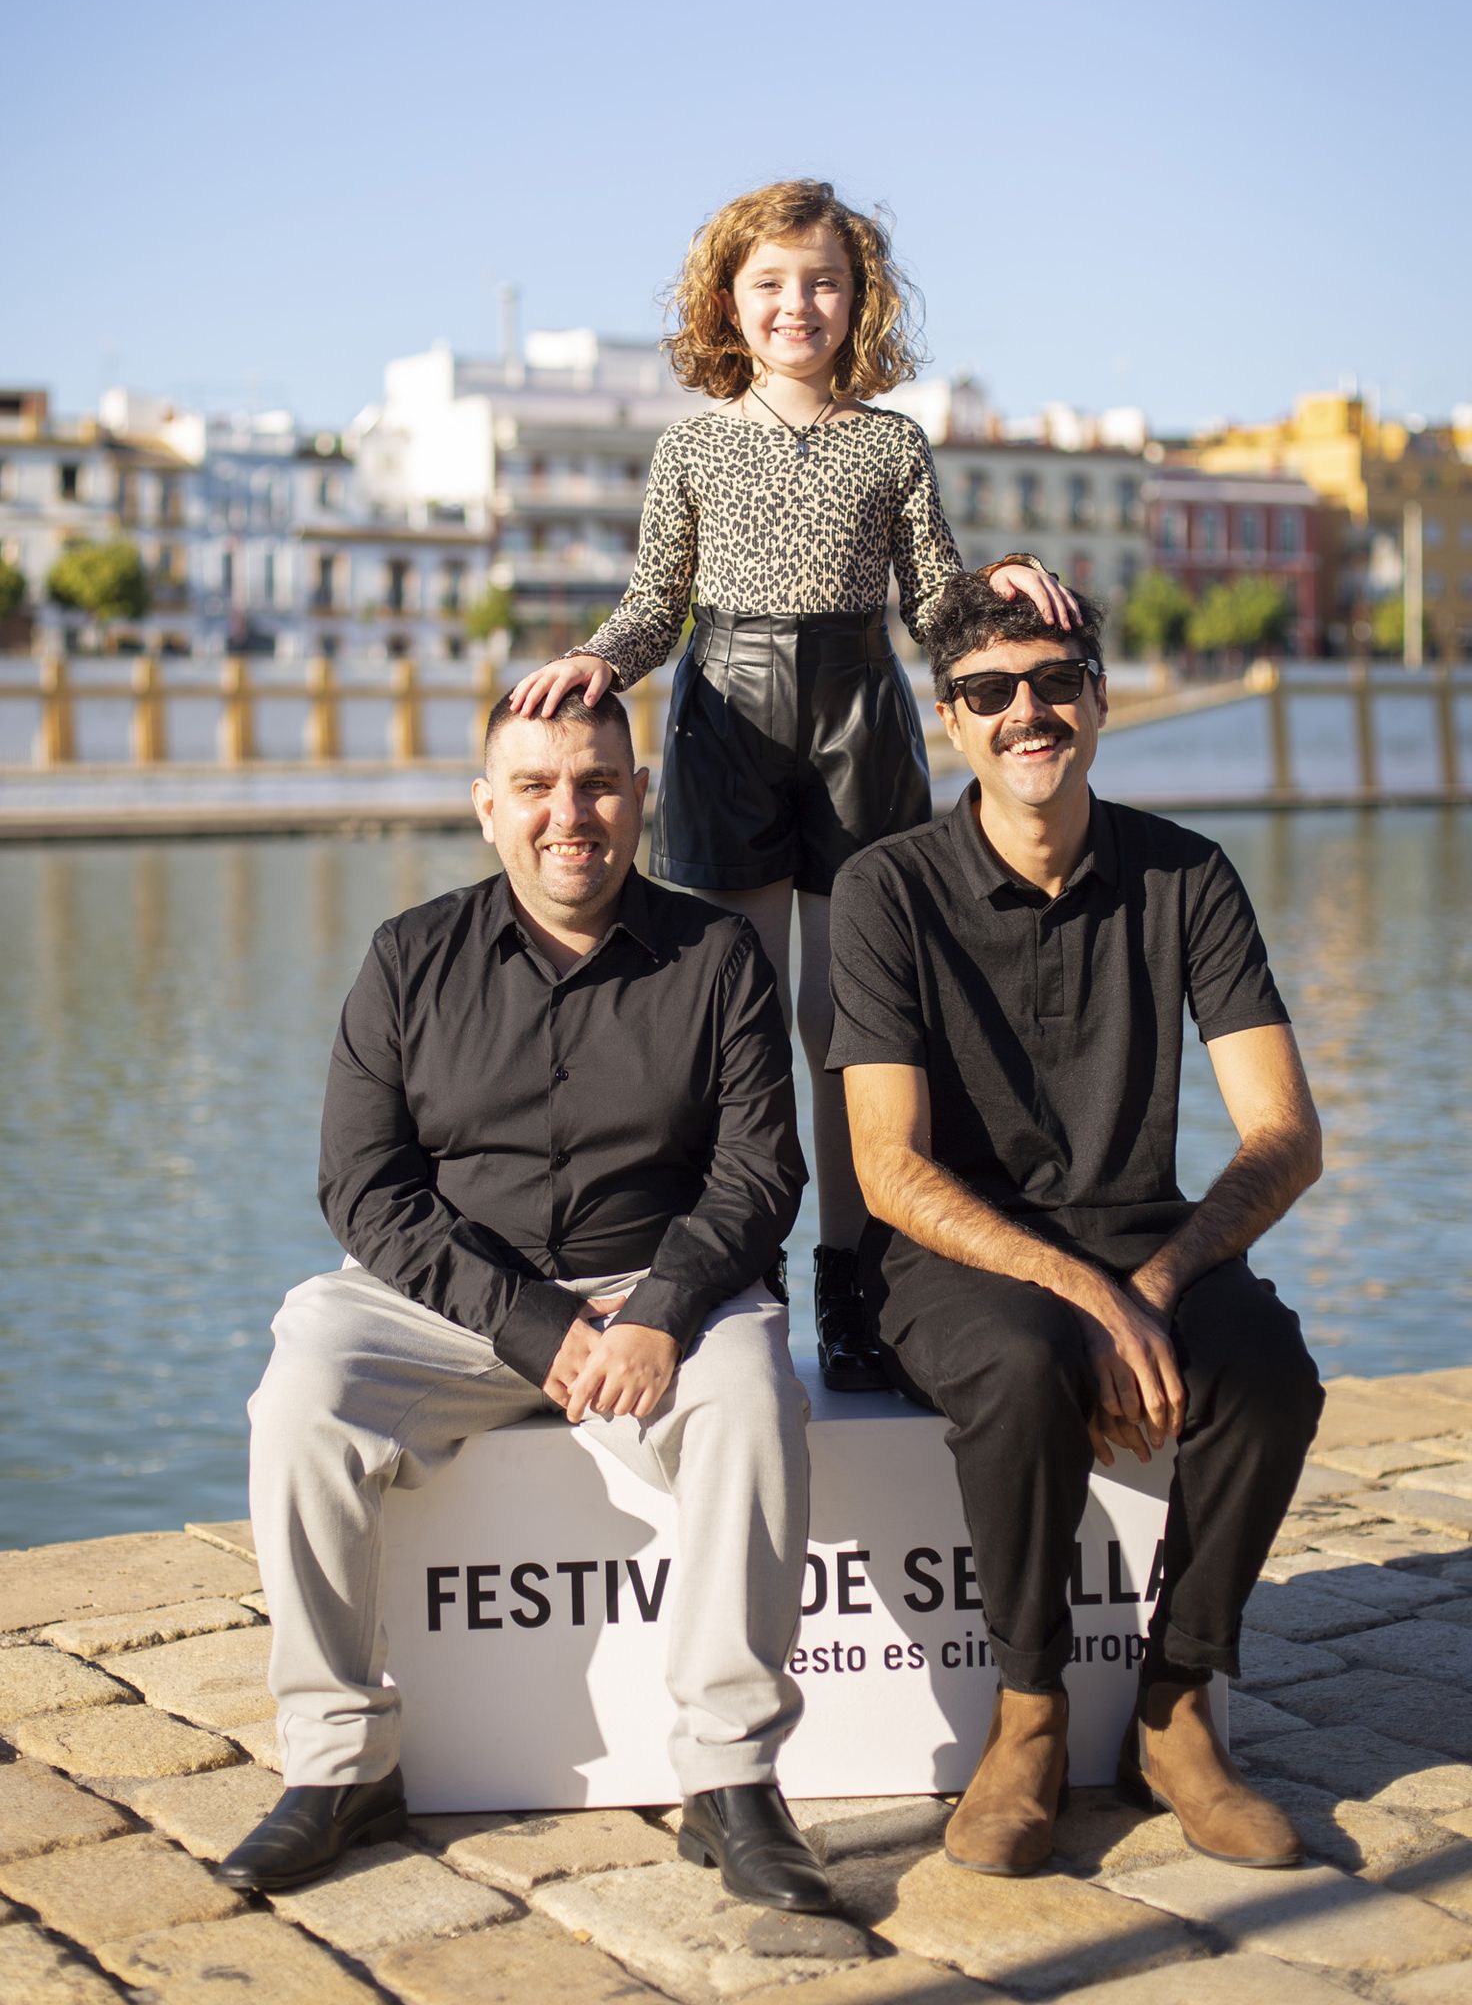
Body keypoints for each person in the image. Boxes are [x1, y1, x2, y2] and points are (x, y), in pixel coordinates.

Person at [224, 689, 837, 1914]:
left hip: (658, 1283)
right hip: (449, 1296)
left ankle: (728, 1780)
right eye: (540, 787)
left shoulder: (716, 956)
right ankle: (343, 1766)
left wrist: (662, 1308)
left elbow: (762, 1172)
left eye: (600, 785)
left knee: (748, 1400)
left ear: (639, 799)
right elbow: (362, 1186)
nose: (573, 814)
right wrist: (530, 1325)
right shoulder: (408, 955)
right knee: (303, 1386)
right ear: (488, 808)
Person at [510, 176, 1078, 1388]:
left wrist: (1008, 579)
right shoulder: (692, 445)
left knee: (855, 1022)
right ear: (730, 299)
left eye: (822, 280)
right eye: (770, 282)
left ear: (856, 298)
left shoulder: (891, 442)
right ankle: (734, 1276)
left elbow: (933, 606)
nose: (797, 304)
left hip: (860, 717)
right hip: (726, 717)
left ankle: (855, 1288)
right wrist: (594, 660)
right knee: (742, 1014)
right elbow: (655, 606)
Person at [828, 573, 1324, 1877]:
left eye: (1054, 683)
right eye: (990, 694)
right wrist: (1090, 1297)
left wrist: (1147, 1281)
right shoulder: (887, 891)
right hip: (951, 1249)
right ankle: (1030, 1717)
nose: (1026, 714)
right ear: (951, 722)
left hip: (1140, 1234)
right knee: (1022, 1358)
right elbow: (887, 1168)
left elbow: (1285, 1133)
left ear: (1100, 700)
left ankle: (1175, 1710)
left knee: (1269, 1372)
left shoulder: (1188, 876)